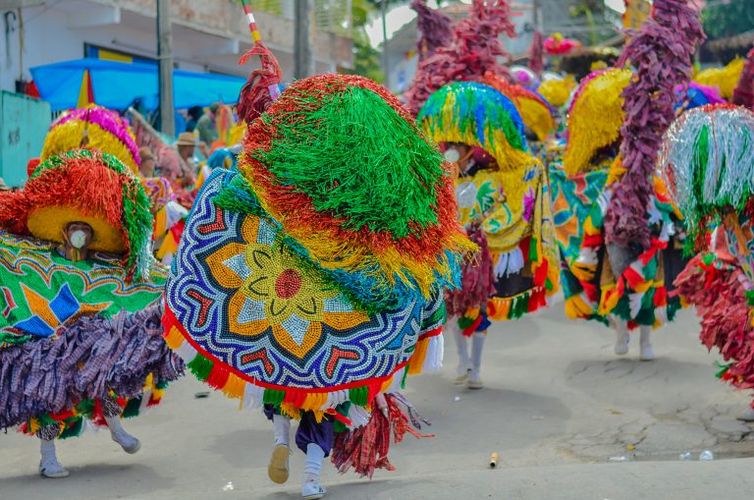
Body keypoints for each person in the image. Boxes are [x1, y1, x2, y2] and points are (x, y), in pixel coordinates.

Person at [162, 63, 471, 498]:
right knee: (331, 394)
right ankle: (310, 476)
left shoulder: (290, 187)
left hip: (282, 290)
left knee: (276, 370)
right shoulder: (370, 195)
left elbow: (252, 179)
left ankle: (279, 441)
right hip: (334, 306)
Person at [0, 149, 182, 478]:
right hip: (47, 342)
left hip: (91, 340)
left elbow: (145, 281)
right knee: (48, 392)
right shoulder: (39, 257)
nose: (79, 235)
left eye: (86, 228)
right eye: (74, 228)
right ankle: (47, 454)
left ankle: (115, 427)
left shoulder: (104, 265)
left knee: (106, 373)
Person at [418, 81, 557, 389]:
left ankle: (476, 368)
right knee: (453, 306)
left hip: (478, 251)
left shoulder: (491, 178)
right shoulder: (443, 180)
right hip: (451, 251)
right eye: (449, 148)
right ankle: (464, 362)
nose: (453, 153)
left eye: (459, 149)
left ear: (470, 151)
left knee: (477, 305)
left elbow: (519, 181)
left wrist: (480, 221)